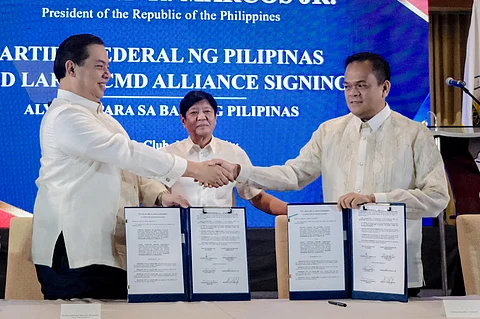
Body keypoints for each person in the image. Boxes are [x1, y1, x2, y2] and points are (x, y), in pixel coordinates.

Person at [215, 52, 450, 296]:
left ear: (385, 87)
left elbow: (436, 197)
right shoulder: (329, 132)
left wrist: (375, 199)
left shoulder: (414, 135)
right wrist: (240, 172)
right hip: (336, 266)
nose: (353, 93)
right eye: (347, 86)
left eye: (361, 85)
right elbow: (293, 174)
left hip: (392, 268)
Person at [31, 34, 233, 300]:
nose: (108, 75)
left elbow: (130, 171)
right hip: (73, 249)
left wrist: (161, 197)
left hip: (106, 250)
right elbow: (127, 153)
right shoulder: (65, 116)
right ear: (71, 68)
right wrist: (196, 169)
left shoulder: (104, 119)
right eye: (99, 66)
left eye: (108, 67)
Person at [163, 90, 287, 215]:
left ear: (215, 117)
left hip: (221, 230)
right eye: (194, 112)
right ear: (183, 120)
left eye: (207, 111)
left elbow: (257, 197)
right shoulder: (168, 155)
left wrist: (293, 212)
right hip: (180, 231)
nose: (201, 117)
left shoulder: (234, 152)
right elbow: (153, 192)